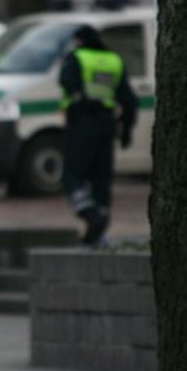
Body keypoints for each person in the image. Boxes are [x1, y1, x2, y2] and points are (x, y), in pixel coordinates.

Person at [58, 24, 137, 247]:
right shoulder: (114, 60)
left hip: (83, 122)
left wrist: (79, 100)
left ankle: (91, 214)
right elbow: (129, 100)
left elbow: (66, 82)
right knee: (101, 179)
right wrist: (126, 129)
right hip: (107, 124)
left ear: (79, 40)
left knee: (71, 176)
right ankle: (98, 233)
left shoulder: (77, 57)